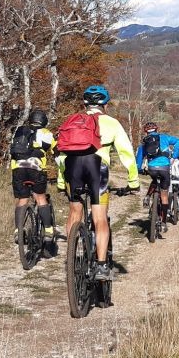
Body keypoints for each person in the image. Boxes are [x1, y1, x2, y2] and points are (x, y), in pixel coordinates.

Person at [55, 85, 138, 283]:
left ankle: (73, 256)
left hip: (72, 168)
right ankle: (101, 266)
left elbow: (61, 154)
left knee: (75, 212)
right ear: (106, 105)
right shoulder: (112, 123)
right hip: (97, 169)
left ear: (85, 103)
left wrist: (60, 180)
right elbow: (126, 152)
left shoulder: (73, 120)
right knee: (99, 217)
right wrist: (133, 180)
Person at [8, 109, 58, 253]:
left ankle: (18, 230)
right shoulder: (46, 134)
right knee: (41, 198)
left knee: (22, 200)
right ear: (44, 122)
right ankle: (48, 231)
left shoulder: (19, 131)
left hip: (17, 169)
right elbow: (56, 151)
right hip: (35, 169)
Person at [137, 121, 179, 224]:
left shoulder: (145, 142)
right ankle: (163, 222)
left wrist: (139, 169)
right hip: (164, 168)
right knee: (164, 194)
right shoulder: (165, 137)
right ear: (157, 129)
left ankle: (148, 196)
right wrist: (174, 157)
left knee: (154, 180)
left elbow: (139, 158)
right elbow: (178, 141)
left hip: (152, 169)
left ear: (146, 132)